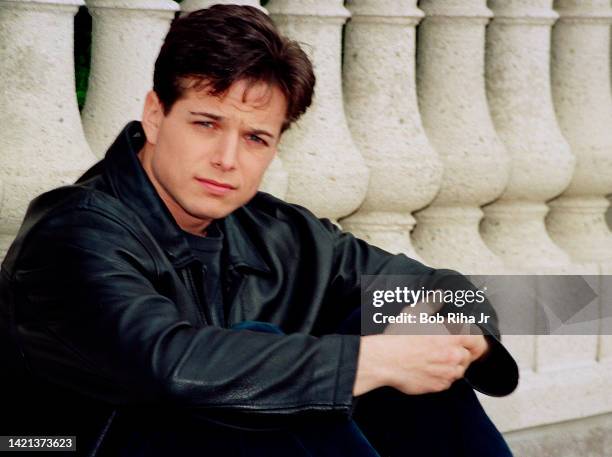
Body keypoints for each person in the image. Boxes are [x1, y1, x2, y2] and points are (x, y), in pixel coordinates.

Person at [0, 5, 518, 456]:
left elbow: (436, 287)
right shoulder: (72, 233)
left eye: (254, 138)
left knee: (400, 320)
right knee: (253, 365)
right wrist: (368, 361)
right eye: (206, 124)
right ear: (156, 116)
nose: (227, 160)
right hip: (60, 444)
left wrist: (461, 333)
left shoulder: (275, 231)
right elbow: (170, 364)